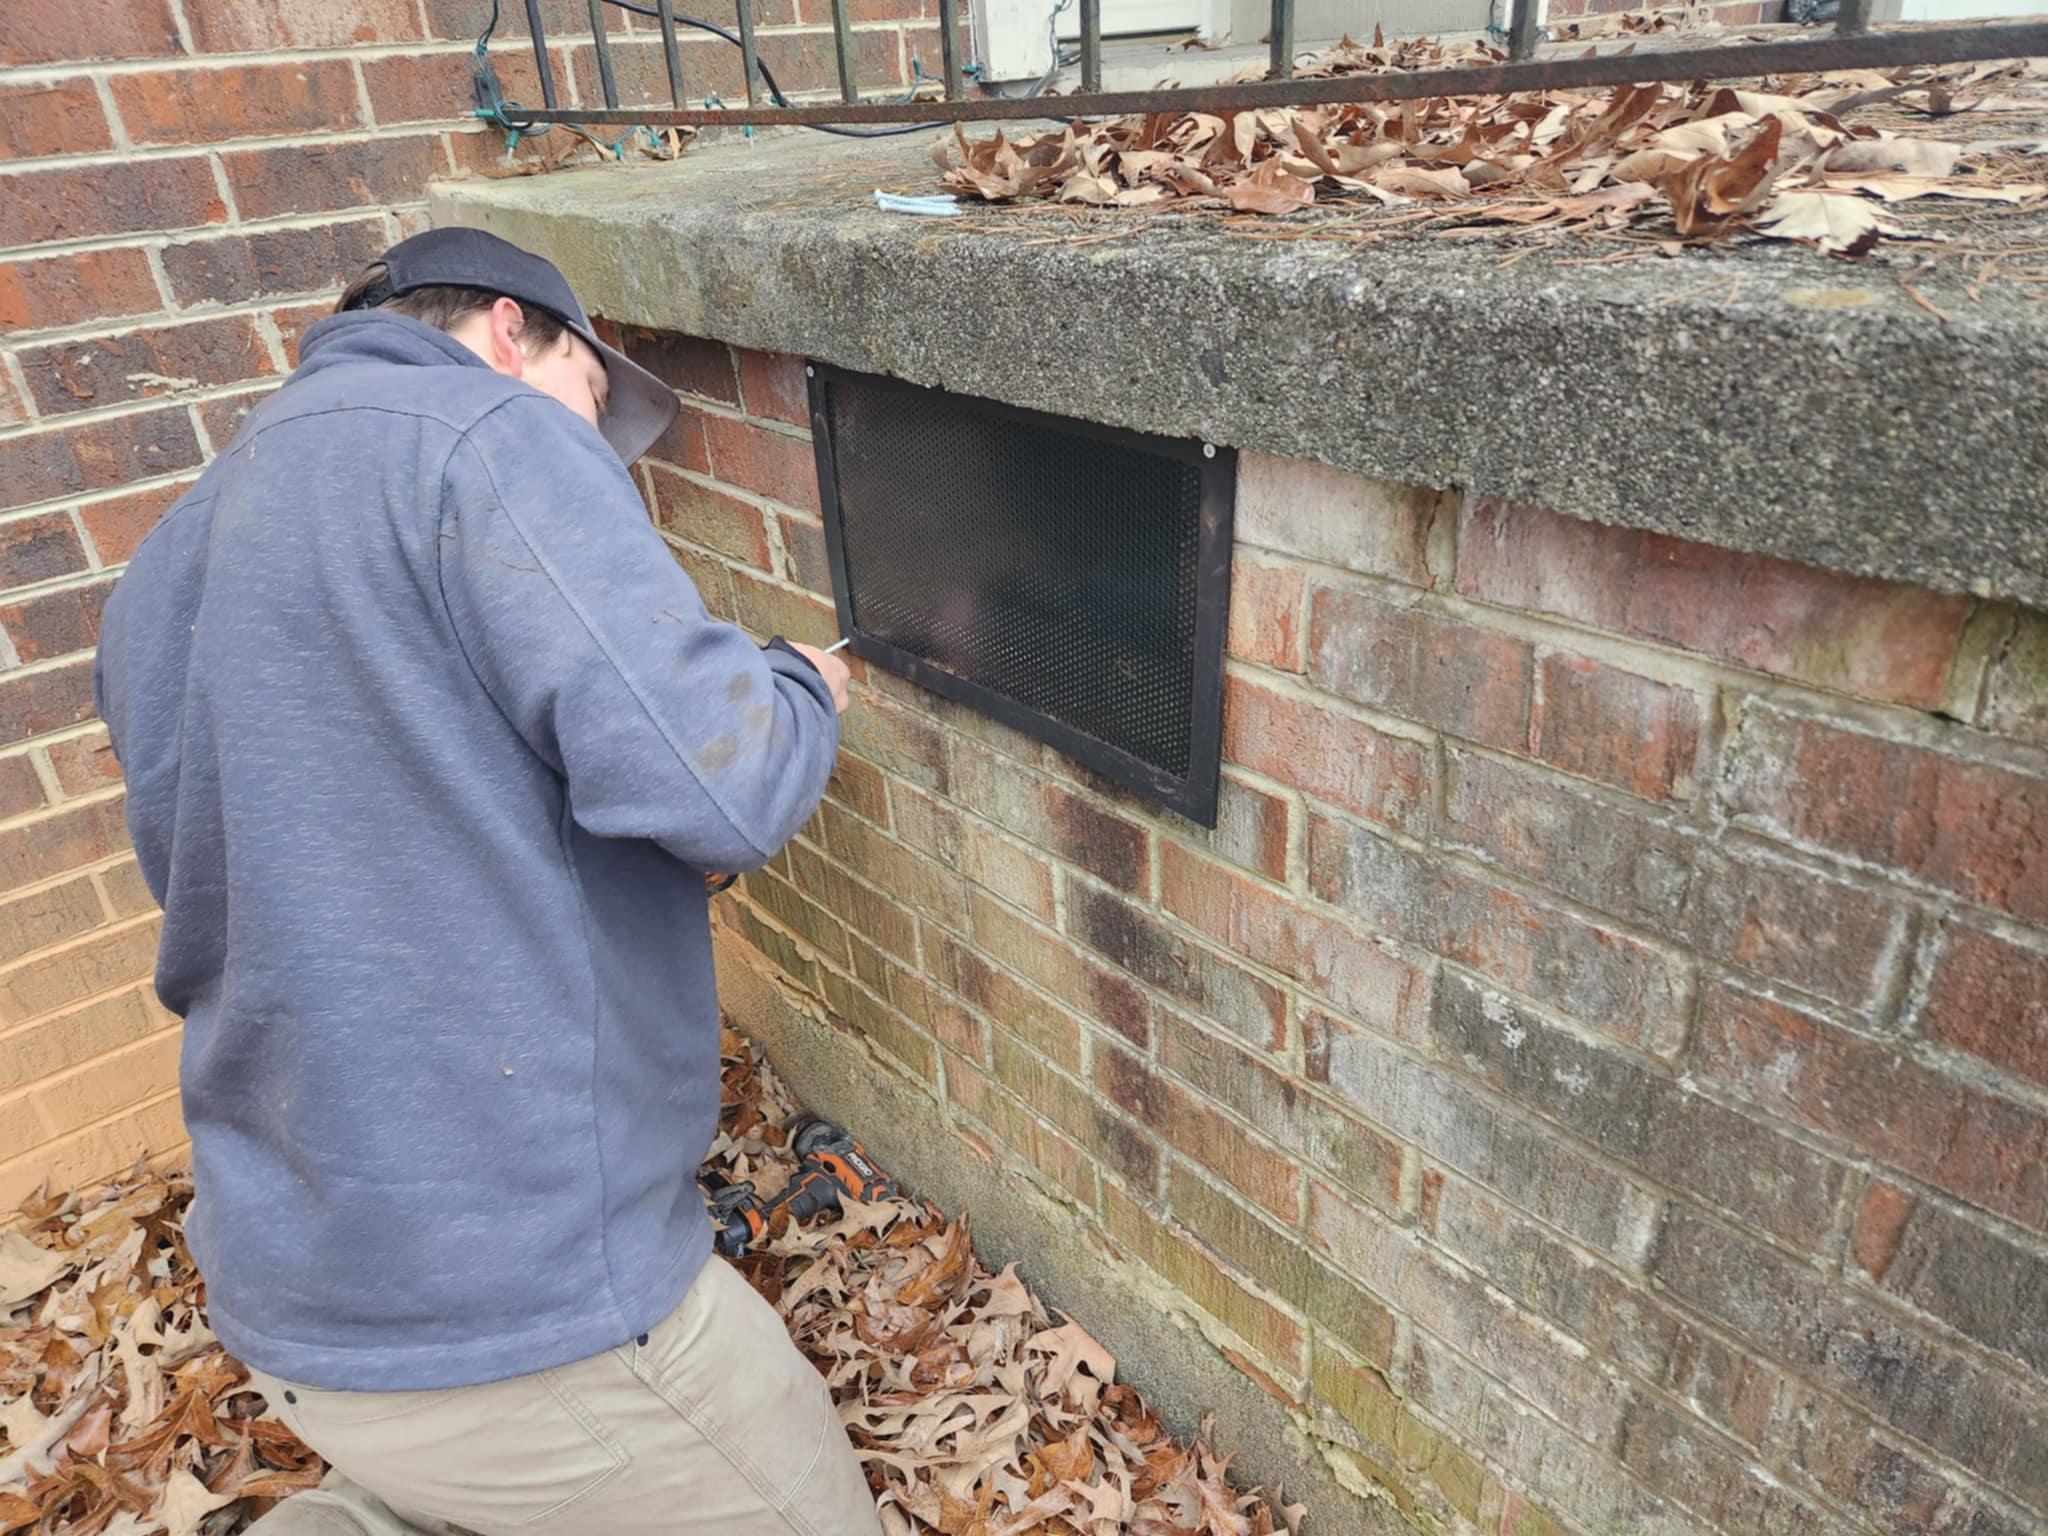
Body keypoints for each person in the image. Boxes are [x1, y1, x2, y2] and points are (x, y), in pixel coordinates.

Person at [92, 228, 880, 1536]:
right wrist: (799, 683)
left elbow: (334, 857)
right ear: (514, 330)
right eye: (594, 393)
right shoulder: (484, 436)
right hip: (520, 1318)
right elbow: (722, 782)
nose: (596, 440)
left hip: (295, 1302)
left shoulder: (168, 559)